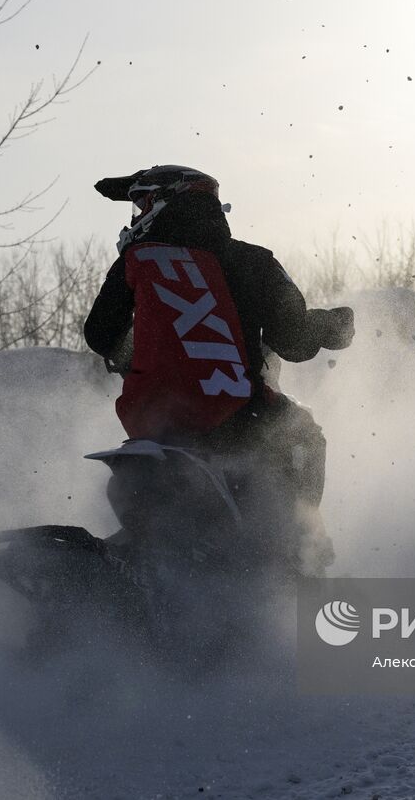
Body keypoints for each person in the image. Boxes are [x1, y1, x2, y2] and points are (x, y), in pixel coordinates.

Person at [84, 165, 354, 575]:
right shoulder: (254, 261)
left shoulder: (136, 261)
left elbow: (100, 334)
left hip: (157, 433)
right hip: (239, 425)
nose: (135, 217)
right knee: (302, 431)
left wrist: (134, 355)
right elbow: (294, 340)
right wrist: (336, 326)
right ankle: (299, 548)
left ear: (166, 202)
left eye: (140, 204)